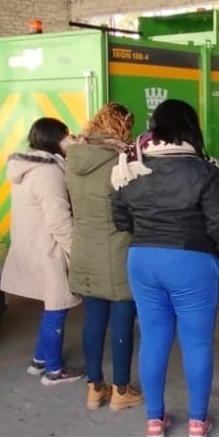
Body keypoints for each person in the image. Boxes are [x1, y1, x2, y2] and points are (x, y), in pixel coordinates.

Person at [112, 99, 219, 437]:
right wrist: (209, 248)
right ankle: (197, 422)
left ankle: (155, 420)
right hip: (191, 261)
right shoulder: (204, 171)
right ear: (190, 127)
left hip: (142, 260)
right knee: (197, 342)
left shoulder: (131, 167)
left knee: (153, 338)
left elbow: (120, 219)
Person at [64, 103, 143, 413]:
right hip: (118, 250)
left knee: (93, 321)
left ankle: (95, 388)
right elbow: (130, 211)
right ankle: (121, 390)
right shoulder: (120, 163)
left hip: (85, 250)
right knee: (122, 322)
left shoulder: (73, 160)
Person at [1, 117, 82, 385]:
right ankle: (54, 371)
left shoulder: (28, 166)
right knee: (57, 307)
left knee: (51, 305)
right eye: (66, 134)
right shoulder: (49, 172)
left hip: (32, 244)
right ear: (54, 139)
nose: (71, 139)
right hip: (48, 248)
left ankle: (39, 360)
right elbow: (59, 220)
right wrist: (76, 253)